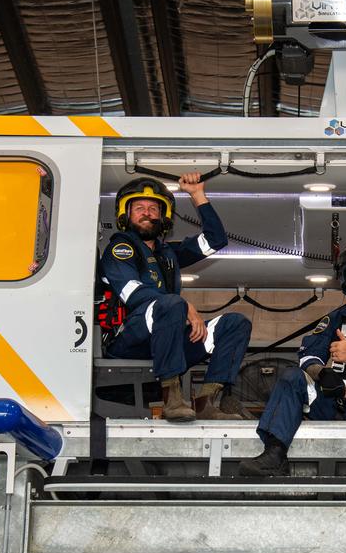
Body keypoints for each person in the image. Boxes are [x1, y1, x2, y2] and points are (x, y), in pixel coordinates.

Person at [238, 240, 346, 477]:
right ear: (345, 281)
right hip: (334, 403)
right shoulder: (335, 318)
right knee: (291, 376)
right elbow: (308, 355)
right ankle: (274, 453)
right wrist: (323, 373)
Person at [100, 173, 252, 422]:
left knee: (236, 323)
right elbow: (134, 294)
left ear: (164, 216)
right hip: (129, 340)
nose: (147, 213)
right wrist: (186, 307)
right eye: (139, 208)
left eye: (153, 208)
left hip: (167, 341)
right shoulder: (120, 248)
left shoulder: (167, 253)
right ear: (125, 214)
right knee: (172, 303)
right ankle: (172, 397)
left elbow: (216, 240)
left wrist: (197, 194)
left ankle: (206, 402)